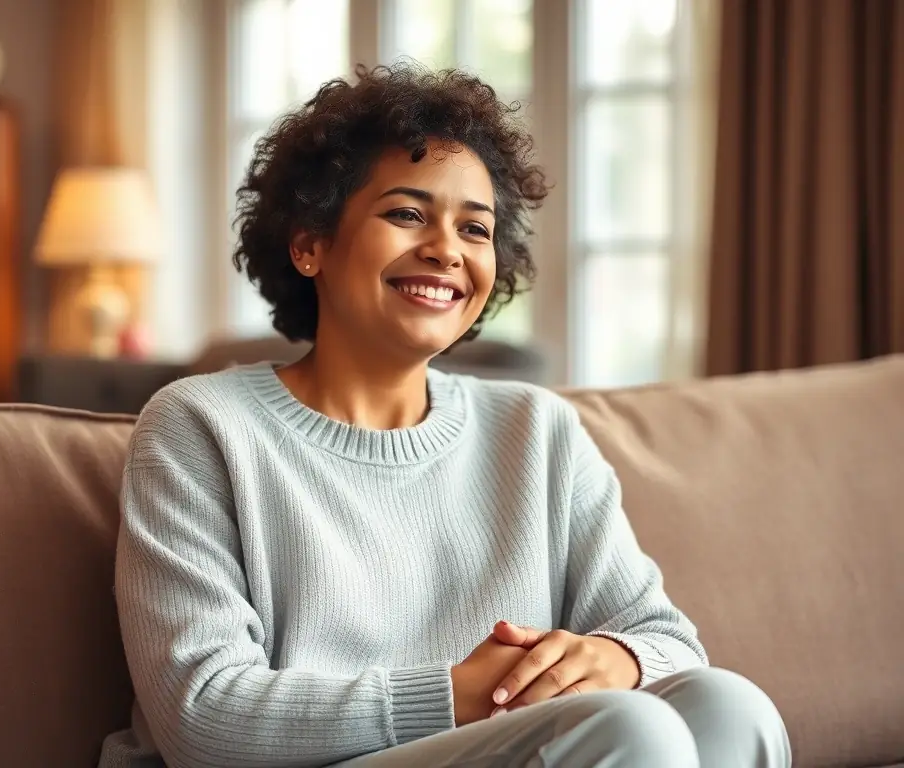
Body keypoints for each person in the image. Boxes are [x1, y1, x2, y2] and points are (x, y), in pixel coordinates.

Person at [98, 63, 790, 768]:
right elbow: (203, 717)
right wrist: (456, 693)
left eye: (475, 228)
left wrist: (614, 658)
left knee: (728, 707)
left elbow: (669, 641)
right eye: (405, 214)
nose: (446, 250)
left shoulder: (537, 430)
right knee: (630, 731)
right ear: (309, 244)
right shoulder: (200, 425)